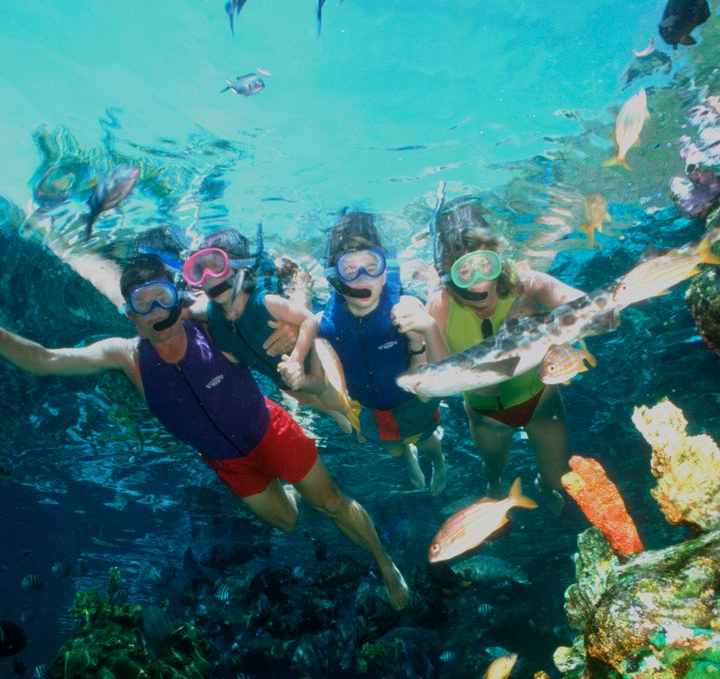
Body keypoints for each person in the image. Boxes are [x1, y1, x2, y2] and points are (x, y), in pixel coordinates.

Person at [0, 252, 409, 610]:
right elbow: (44, 360)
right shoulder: (125, 356)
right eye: (144, 304)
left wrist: (287, 329)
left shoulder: (210, 326)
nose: (158, 310)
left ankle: (386, 565)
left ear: (178, 296)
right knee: (287, 523)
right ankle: (287, 487)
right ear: (130, 314)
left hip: (270, 431)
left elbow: (260, 316)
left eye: (163, 296)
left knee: (332, 503)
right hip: (228, 463)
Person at [425, 193, 586, 510]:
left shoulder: (523, 282)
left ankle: (543, 483)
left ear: (499, 261)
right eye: (463, 271)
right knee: (494, 471)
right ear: (446, 272)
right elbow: (437, 375)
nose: (478, 282)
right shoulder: (440, 305)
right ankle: (495, 484)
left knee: (559, 485)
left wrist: (557, 324)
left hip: (543, 406)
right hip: (487, 419)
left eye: (486, 265)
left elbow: (579, 301)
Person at [318, 211, 448, 494]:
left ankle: (438, 461)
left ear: (385, 270)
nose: (363, 277)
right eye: (349, 269)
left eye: (372, 266)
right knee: (392, 449)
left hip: (411, 400)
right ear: (335, 276)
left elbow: (442, 376)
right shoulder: (326, 321)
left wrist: (425, 333)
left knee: (427, 440)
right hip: (369, 408)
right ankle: (409, 460)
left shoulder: (406, 305)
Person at [182, 227, 357, 432]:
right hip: (282, 378)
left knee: (333, 400)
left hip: (305, 364)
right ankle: (336, 413)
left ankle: (349, 413)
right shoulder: (210, 312)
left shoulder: (263, 301)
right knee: (308, 400)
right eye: (199, 271)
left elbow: (307, 319)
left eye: (217, 266)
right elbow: (189, 312)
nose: (209, 277)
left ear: (240, 267)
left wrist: (297, 360)